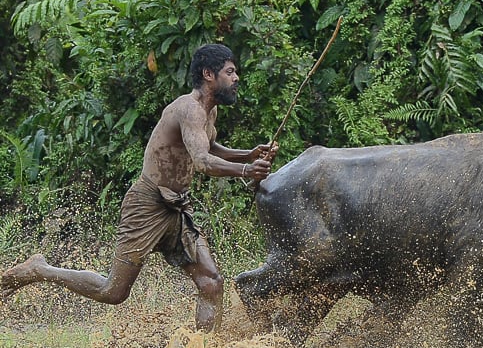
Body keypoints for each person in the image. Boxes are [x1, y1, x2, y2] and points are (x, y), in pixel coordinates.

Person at [0, 43, 277, 332]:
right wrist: (247, 170)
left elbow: (209, 146)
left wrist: (248, 154)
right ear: (209, 74)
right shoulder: (189, 109)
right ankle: (39, 269)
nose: (236, 79)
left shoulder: (209, 113)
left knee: (211, 283)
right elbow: (203, 161)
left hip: (176, 208)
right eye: (230, 72)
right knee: (113, 292)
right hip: (147, 204)